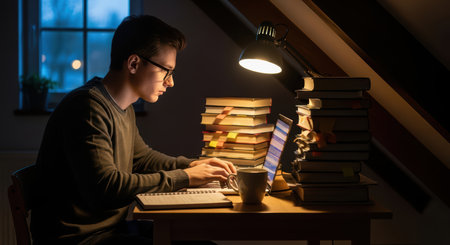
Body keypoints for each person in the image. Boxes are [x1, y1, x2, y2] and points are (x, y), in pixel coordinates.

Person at [30, 15, 236, 244]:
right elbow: (107, 188)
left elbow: (142, 158)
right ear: (134, 64)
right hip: (81, 240)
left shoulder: (121, 107)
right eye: (166, 71)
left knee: (199, 240)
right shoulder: (87, 107)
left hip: (110, 232)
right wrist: (185, 177)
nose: (170, 82)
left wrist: (190, 165)